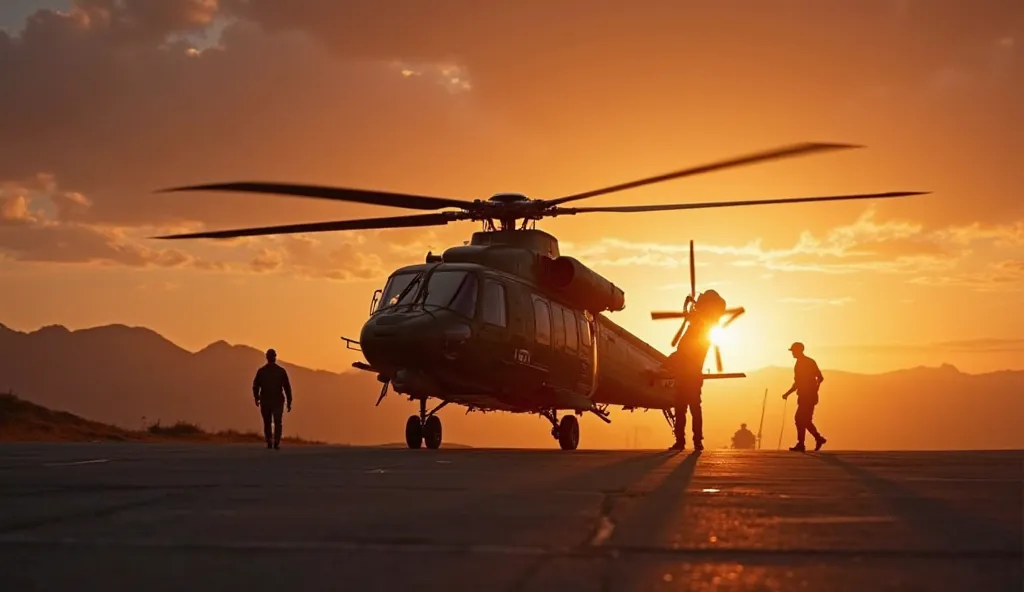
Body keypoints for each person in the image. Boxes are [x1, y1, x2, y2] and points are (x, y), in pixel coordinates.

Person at [781, 342, 826, 452]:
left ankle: (803, 443)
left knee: (800, 419)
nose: (792, 353)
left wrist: (815, 389)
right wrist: (788, 393)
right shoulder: (802, 363)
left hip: (808, 397)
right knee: (805, 420)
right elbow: (798, 382)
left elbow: (820, 377)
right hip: (804, 396)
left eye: (793, 351)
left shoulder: (806, 362)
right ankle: (817, 439)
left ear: (798, 351)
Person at [252, 348, 293, 449]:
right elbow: (287, 388)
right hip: (276, 400)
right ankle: (276, 441)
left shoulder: (262, 371)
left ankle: (270, 440)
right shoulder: (280, 371)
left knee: (268, 422)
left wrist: (256, 397)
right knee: (277, 421)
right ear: (275, 357)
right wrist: (289, 401)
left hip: (266, 400)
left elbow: (255, 386)